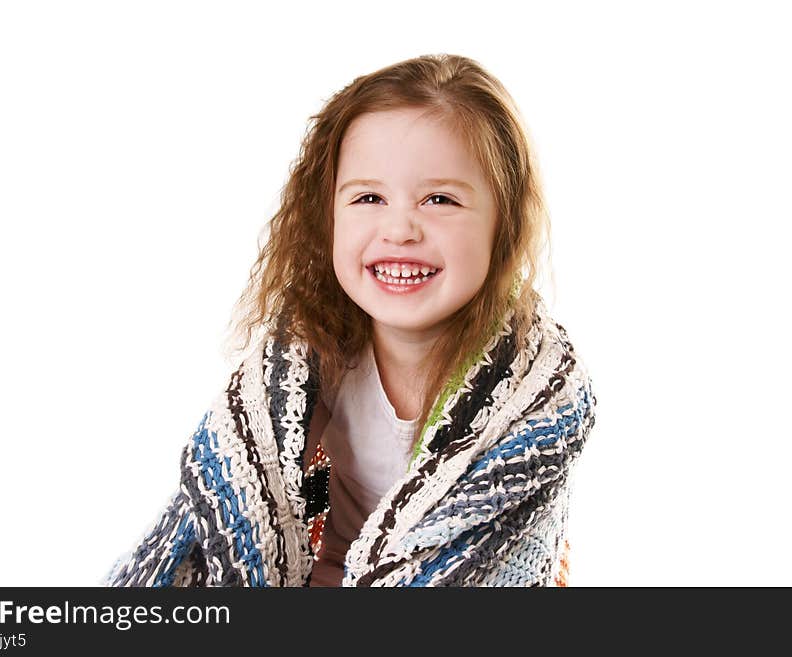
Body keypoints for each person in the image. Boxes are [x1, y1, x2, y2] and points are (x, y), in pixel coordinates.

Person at [102, 53, 597, 588]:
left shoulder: (532, 388)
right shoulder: (306, 356)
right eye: (368, 197)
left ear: (504, 221)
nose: (400, 228)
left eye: (440, 199)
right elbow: (258, 490)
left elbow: (514, 539)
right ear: (327, 215)